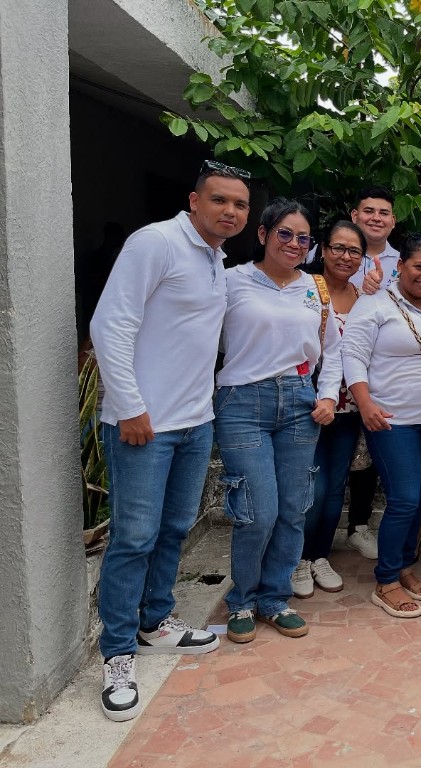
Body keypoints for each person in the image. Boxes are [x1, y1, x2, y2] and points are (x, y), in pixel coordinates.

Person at [90, 160, 250, 721]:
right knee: (133, 537)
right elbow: (110, 323)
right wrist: (130, 405)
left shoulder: (215, 257)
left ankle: (155, 620)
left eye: (239, 204)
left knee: (175, 527)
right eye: (219, 200)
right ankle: (117, 654)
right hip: (142, 423)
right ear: (194, 200)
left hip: (193, 420)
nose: (230, 211)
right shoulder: (154, 243)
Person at [216, 197, 343, 644]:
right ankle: (242, 602)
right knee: (257, 512)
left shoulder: (315, 288)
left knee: (293, 510)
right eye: (285, 233)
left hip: (298, 404)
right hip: (242, 403)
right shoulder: (230, 281)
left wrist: (328, 395)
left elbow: (334, 349)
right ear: (264, 234)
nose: (293, 243)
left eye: (303, 237)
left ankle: (274, 598)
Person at [343, 235, 421, 618]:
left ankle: (404, 565)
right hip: (391, 420)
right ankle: (386, 581)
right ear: (401, 266)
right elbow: (353, 354)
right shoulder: (375, 304)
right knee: (404, 499)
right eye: (419, 267)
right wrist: (365, 404)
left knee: (417, 494)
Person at [291, 220, 367, 599]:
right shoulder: (305, 288)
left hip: (349, 407)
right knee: (313, 486)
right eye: (338, 248)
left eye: (354, 251)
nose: (345, 256)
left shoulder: (363, 297)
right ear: (322, 249)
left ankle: (320, 555)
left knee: (336, 485)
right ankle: (299, 559)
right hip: (308, 405)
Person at [343, 186, 401, 560]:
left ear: (393, 220)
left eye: (383, 212)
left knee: (373, 454)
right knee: (339, 455)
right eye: (369, 211)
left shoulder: (404, 258)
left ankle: (359, 525)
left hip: (388, 373)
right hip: (339, 370)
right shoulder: (336, 253)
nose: (376, 218)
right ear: (354, 215)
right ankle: (322, 536)